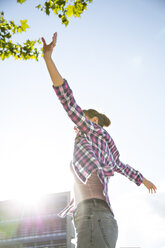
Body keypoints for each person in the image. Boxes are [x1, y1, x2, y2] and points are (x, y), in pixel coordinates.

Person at [41, 32, 157, 248]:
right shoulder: (105, 150)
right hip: (98, 217)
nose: (79, 120)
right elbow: (122, 166)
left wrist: (48, 59)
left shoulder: (91, 130)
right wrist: (142, 179)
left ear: (93, 120)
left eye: (84, 117)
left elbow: (68, 101)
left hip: (94, 216)